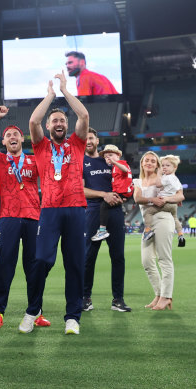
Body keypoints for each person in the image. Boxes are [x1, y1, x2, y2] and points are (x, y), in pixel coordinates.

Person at [21, 71, 89, 336]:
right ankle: (32, 309)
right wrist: (50, 96)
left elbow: (83, 116)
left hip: (75, 208)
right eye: (54, 121)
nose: (58, 123)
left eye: (62, 120)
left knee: (74, 263)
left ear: (66, 125)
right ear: (49, 127)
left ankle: (72, 317)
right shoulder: (41, 147)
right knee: (41, 259)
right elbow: (32, 120)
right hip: (48, 210)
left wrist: (65, 89)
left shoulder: (78, 143)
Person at [0, 107, 50, 329]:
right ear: (4, 142)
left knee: (34, 267)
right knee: (4, 266)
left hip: (32, 217)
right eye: (8, 135)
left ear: (22, 139)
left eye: (16, 134)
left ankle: (36, 313)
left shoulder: (34, 161)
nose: (12, 137)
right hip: (8, 218)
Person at [82, 130, 131, 312]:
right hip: (94, 210)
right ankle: (85, 298)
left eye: (91, 138)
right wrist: (104, 194)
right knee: (89, 256)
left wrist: (124, 196)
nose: (88, 141)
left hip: (115, 210)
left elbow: (124, 180)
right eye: (85, 138)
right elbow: (80, 190)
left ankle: (118, 299)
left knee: (118, 256)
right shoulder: (81, 162)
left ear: (97, 141)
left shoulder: (110, 159)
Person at [133, 151, 184, 311]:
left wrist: (167, 199)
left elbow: (180, 196)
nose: (149, 163)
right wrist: (152, 199)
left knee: (164, 259)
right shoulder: (138, 181)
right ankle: (159, 294)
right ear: (142, 163)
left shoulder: (164, 179)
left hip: (163, 219)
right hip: (148, 223)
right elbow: (137, 198)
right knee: (147, 260)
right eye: (146, 160)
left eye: (153, 161)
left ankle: (166, 297)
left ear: (157, 165)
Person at [90, 144, 133, 241]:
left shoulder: (121, 163)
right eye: (106, 157)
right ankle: (103, 229)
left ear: (118, 155)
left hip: (122, 192)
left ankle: (102, 230)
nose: (108, 158)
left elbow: (125, 169)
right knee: (106, 206)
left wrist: (114, 162)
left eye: (110, 155)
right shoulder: (114, 167)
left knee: (104, 206)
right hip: (122, 193)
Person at [141, 155, 185, 247]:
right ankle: (180, 234)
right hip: (173, 204)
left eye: (167, 166)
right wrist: (176, 199)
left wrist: (159, 174)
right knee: (175, 218)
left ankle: (148, 231)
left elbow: (158, 184)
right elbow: (179, 191)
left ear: (175, 167)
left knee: (147, 212)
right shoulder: (176, 179)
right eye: (163, 165)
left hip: (164, 202)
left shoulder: (167, 177)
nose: (164, 167)